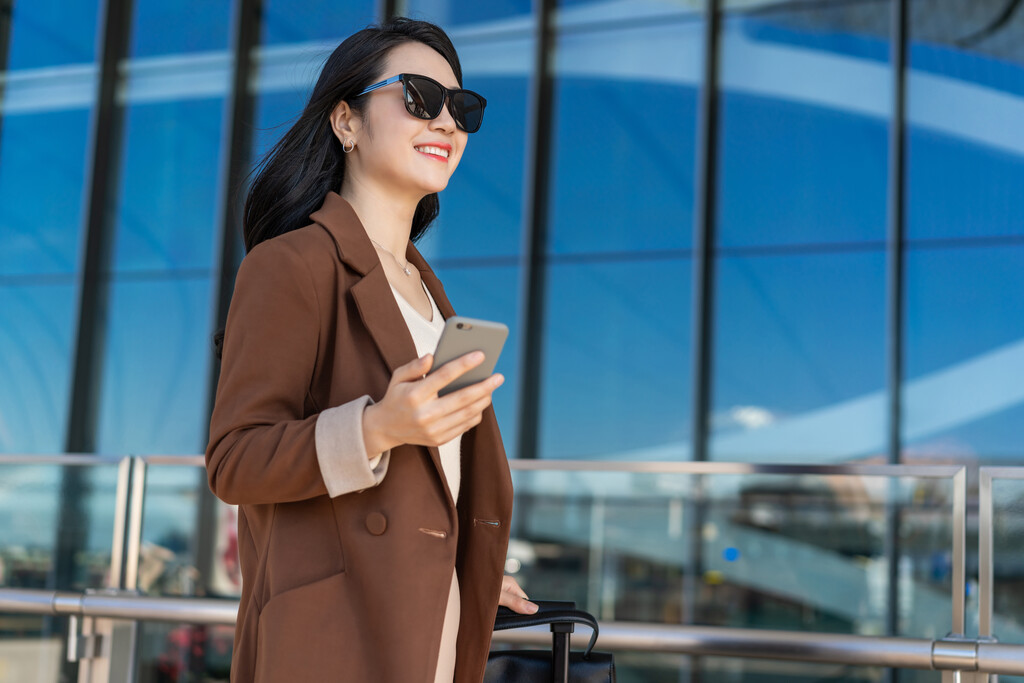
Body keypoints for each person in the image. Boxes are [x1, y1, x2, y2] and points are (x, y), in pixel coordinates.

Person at [205, 17, 536, 683]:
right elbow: (233, 458)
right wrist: (374, 426)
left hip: (427, 631)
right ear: (346, 122)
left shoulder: (427, 290)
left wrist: (461, 564)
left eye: (463, 109)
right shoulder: (292, 264)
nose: (447, 122)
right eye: (419, 96)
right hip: (329, 644)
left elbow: (423, 491)